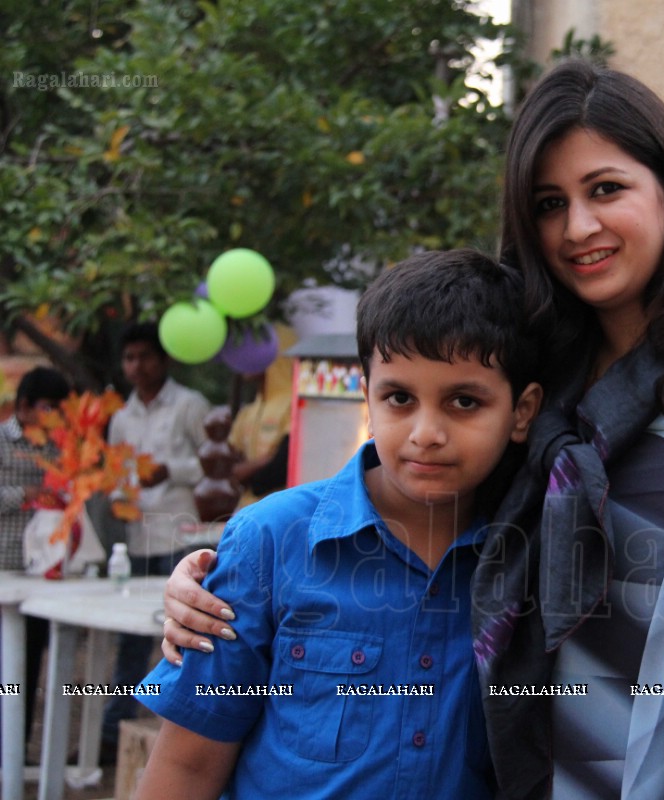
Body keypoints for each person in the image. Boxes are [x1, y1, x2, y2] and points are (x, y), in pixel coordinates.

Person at [160, 60, 664, 800]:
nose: (578, 227)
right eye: (548, 203)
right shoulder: (539, 373)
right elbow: (420, 516)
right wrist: (226, 580)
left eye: (606, 189)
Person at [134, 250, 542, 799]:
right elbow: (186, 766)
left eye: (464, 402)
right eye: (399, 397)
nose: (426, 432)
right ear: (366, 394)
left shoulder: (530, 554)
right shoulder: (271, 541)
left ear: (521, 412)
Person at [102, 322, 212, 755]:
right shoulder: (121, 416)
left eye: (145, 356)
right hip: (138, 538)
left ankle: (181, 736)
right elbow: (117, 473)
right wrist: (116, 498)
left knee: (184, 637)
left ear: (163, 359)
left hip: (184, 538)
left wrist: (174, 470)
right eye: (129, 358)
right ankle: (115, 733)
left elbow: (218, 463)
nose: (137, 366)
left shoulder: (190, 404)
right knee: (129, 637)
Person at [0, 366, 70, 754]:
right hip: (2, 569)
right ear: (24, 405)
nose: (56, 416)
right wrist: (23, 493)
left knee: (25, 666)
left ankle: (13, 750)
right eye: (49, 407)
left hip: (41, 573)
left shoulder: (59, 447)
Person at [227, 324, 297, 507]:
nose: (243, 355)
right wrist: (259, 463)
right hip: (245, 511)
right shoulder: (248, 411)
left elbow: (278, 469)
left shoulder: (294, 404)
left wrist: (246, 471)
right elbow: (227, 465)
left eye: (252, 348)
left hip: (279, 512)